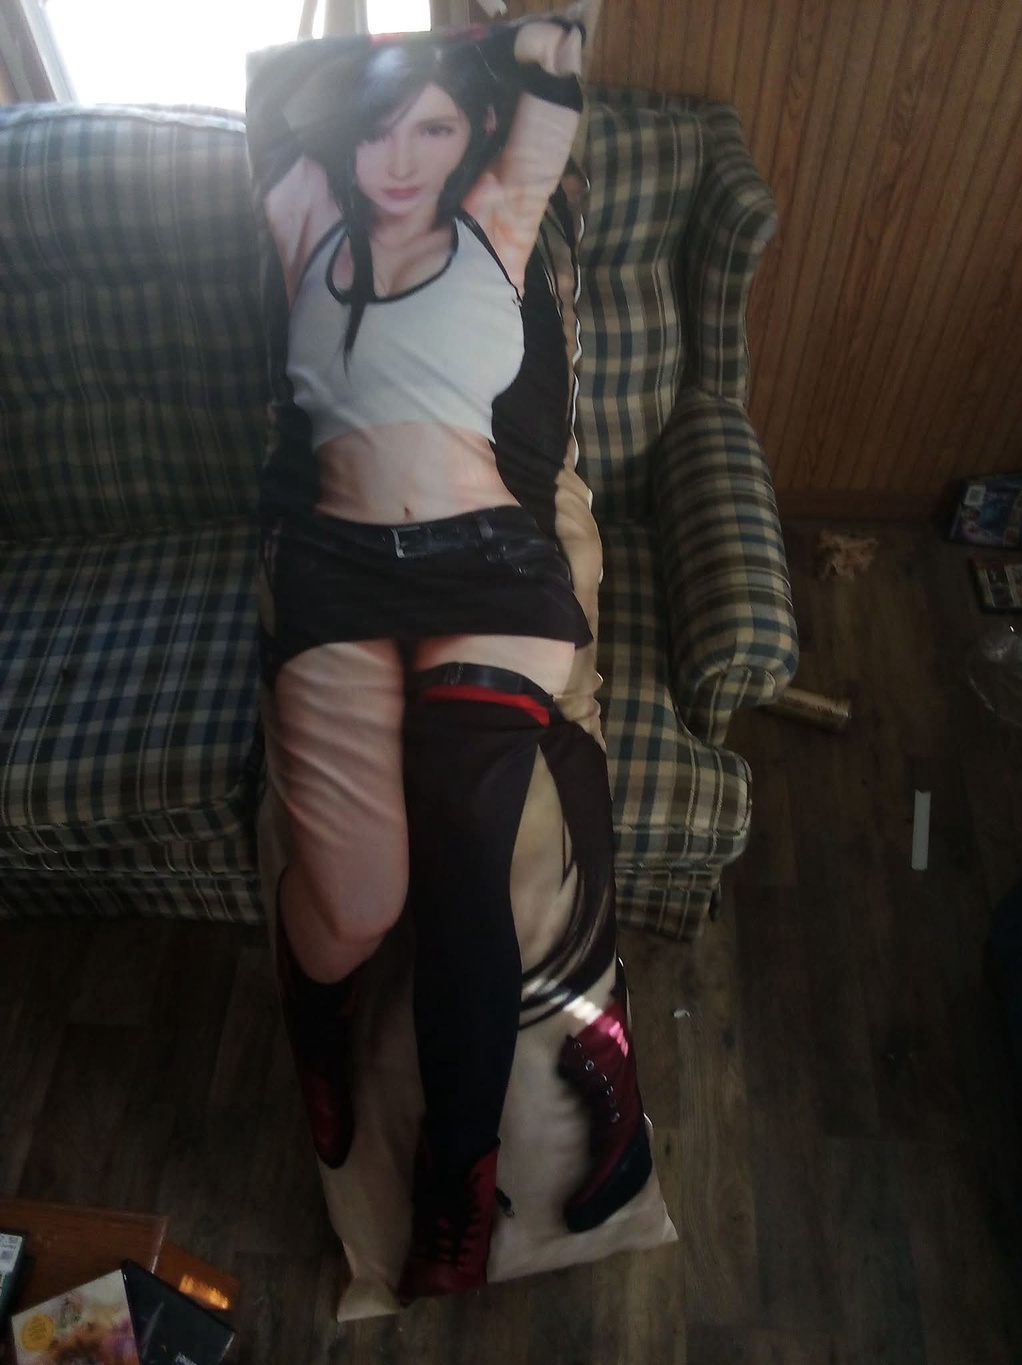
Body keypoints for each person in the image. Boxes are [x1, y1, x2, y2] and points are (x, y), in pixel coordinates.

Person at [246, 17, 651, 1302]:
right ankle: (318, 1019)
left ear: (472, 133)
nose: (401, 156)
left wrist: (511, 42)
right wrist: (355, 66)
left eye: (431, 126)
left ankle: (457, 1192)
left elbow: (559, 61)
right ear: (345, 143)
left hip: (487, 558)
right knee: (362, 899)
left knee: (469, 860)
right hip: (336, 561)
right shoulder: (307, 226)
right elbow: (275, 93)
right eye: (377, 129)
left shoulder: (496, 223)